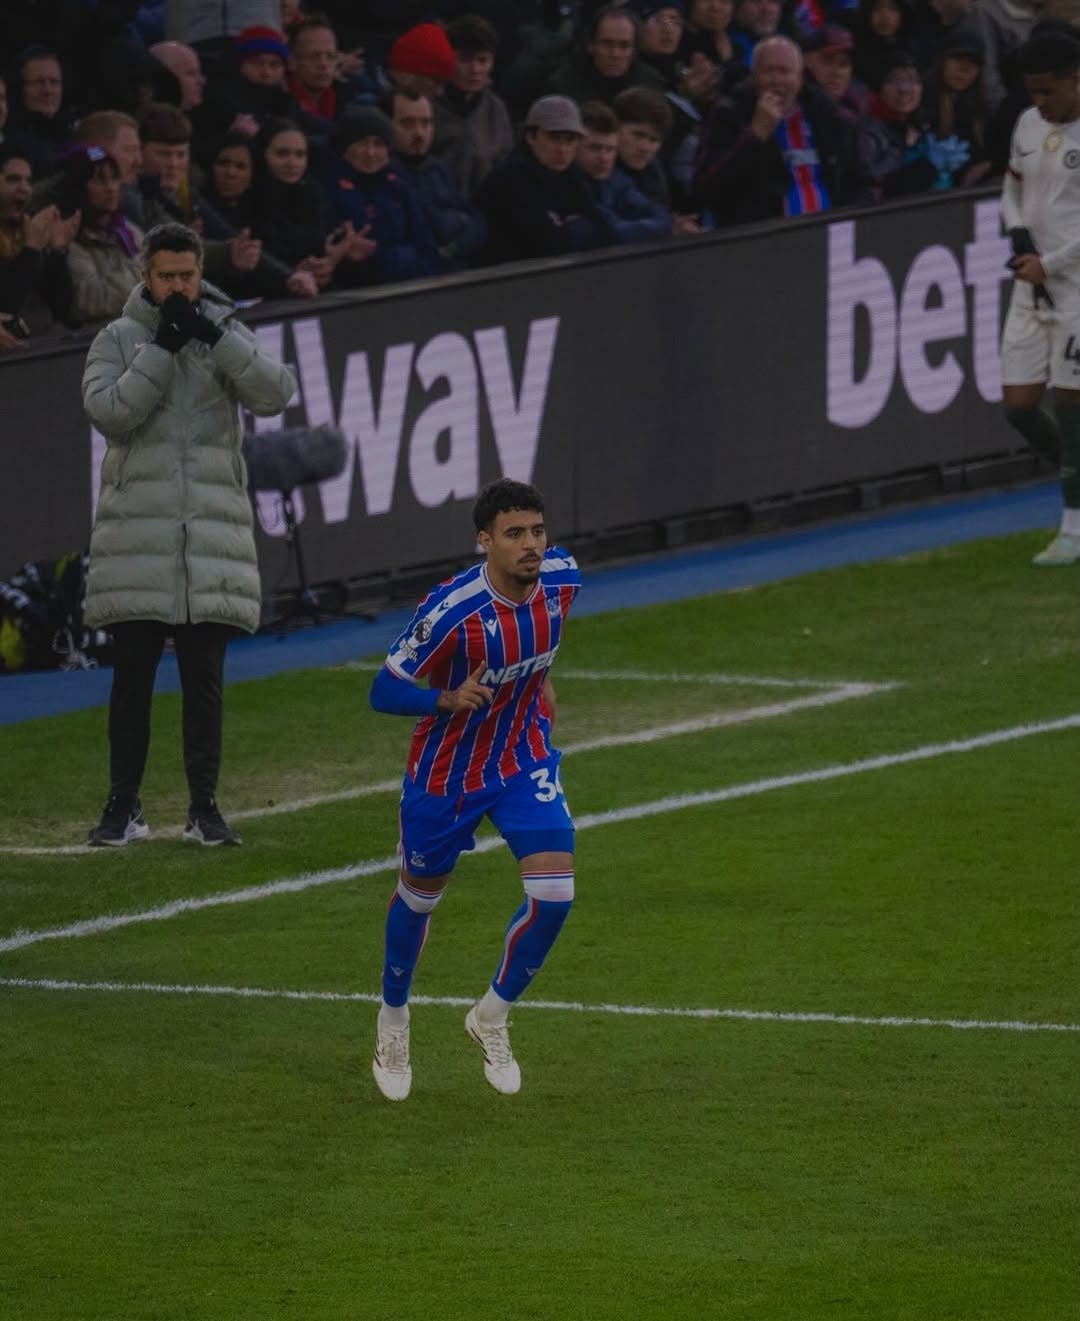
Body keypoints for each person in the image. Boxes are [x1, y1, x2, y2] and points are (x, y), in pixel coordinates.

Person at [82, 221, 296, 847]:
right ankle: (124, 805)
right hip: (138, 536)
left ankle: (204, 806)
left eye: (188, 275)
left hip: (209, 532)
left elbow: (276, 393)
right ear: (145, 277)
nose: (178, 286)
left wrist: (215, 339)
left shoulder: (224, 332)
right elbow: (110, 412)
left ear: (202, 273)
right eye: (167, 276)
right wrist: (162, 350)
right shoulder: (117, 339)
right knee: (132, 679)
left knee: (204, 680)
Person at [367, 478, 581, 1100]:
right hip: (447, 775)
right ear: (483, 541)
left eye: (537, 531)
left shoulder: (565, 580)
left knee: (556, 892)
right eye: (514, 534)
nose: (531, 545)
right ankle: (394, 1020)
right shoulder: (452, 611)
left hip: (522, 759)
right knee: (419, 897)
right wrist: (444, 697)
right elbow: (382, 688)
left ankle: (491, 1015)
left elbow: (541, 654)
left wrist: (540, 692)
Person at [999, 30, 1080, 565]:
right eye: (1033, 91)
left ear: (1076, 80)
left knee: (1071, 404)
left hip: (1075, 288)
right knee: (1019, 405)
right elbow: (1012, 183)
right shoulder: (1028, 124)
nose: (1039, 102)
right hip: (1032, 288)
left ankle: (1073, 527)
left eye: (1048, 91)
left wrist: (1048, 263)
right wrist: (1016, 231)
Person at [694, 34, 872, 223]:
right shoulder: (729, 114)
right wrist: (755, 135)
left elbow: (863, 183)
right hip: (764, 241)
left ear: (800, 77)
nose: (776, 80)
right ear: (754, 76)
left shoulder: (832, 116)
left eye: (785, 71)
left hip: (832, 240)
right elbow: (707, 189)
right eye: (769, 71)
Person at [478, 95, 613, 262]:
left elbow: (606, 232)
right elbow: (549, 245)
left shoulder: (571, 175)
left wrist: (569, 228)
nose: (563, 149)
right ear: (531, 137)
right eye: (554, 138)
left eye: (570, 140)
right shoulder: (510, 179)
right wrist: (579, 226)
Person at [389, 88, 487, 270]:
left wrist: (456, 245)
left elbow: (476, 220)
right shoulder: (387, 176)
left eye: (425, 123)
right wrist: (457, 222)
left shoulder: (439, 169)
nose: (419, 133)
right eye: (407, 124)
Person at [0, 143, 77, 339]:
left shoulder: (28, 229)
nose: (24, 188)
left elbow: (63, 311)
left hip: (42, 344)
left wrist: (57, 253)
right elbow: (7, 306)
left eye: (28, 181)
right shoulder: (32, 239)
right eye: (13, 179)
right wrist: (32, 248)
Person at [62, 148, 144, 328]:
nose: (110, 187)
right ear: (78, 186)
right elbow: (93, 299)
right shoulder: (69, 239)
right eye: (99, 179)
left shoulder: (129, 230)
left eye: (114, 178)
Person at [435, 15, 514, 199]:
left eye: (482, 60)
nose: (475, 69)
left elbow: (506, 166)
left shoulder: (496, 109)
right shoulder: (429, 104)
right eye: (464, 59)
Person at [578, 98, 673, 242]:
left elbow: (660, 215)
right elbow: (611, 232)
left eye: (610, 149)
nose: (603, 158)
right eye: (594, 148)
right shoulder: (571, 186)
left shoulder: (619, 179)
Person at [546, 5, 666, 106]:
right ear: (591, 45)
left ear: (634, 50)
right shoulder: (563, 86)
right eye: (607, 43)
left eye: (624, 46)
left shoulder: (650, 86)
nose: (615, 54)